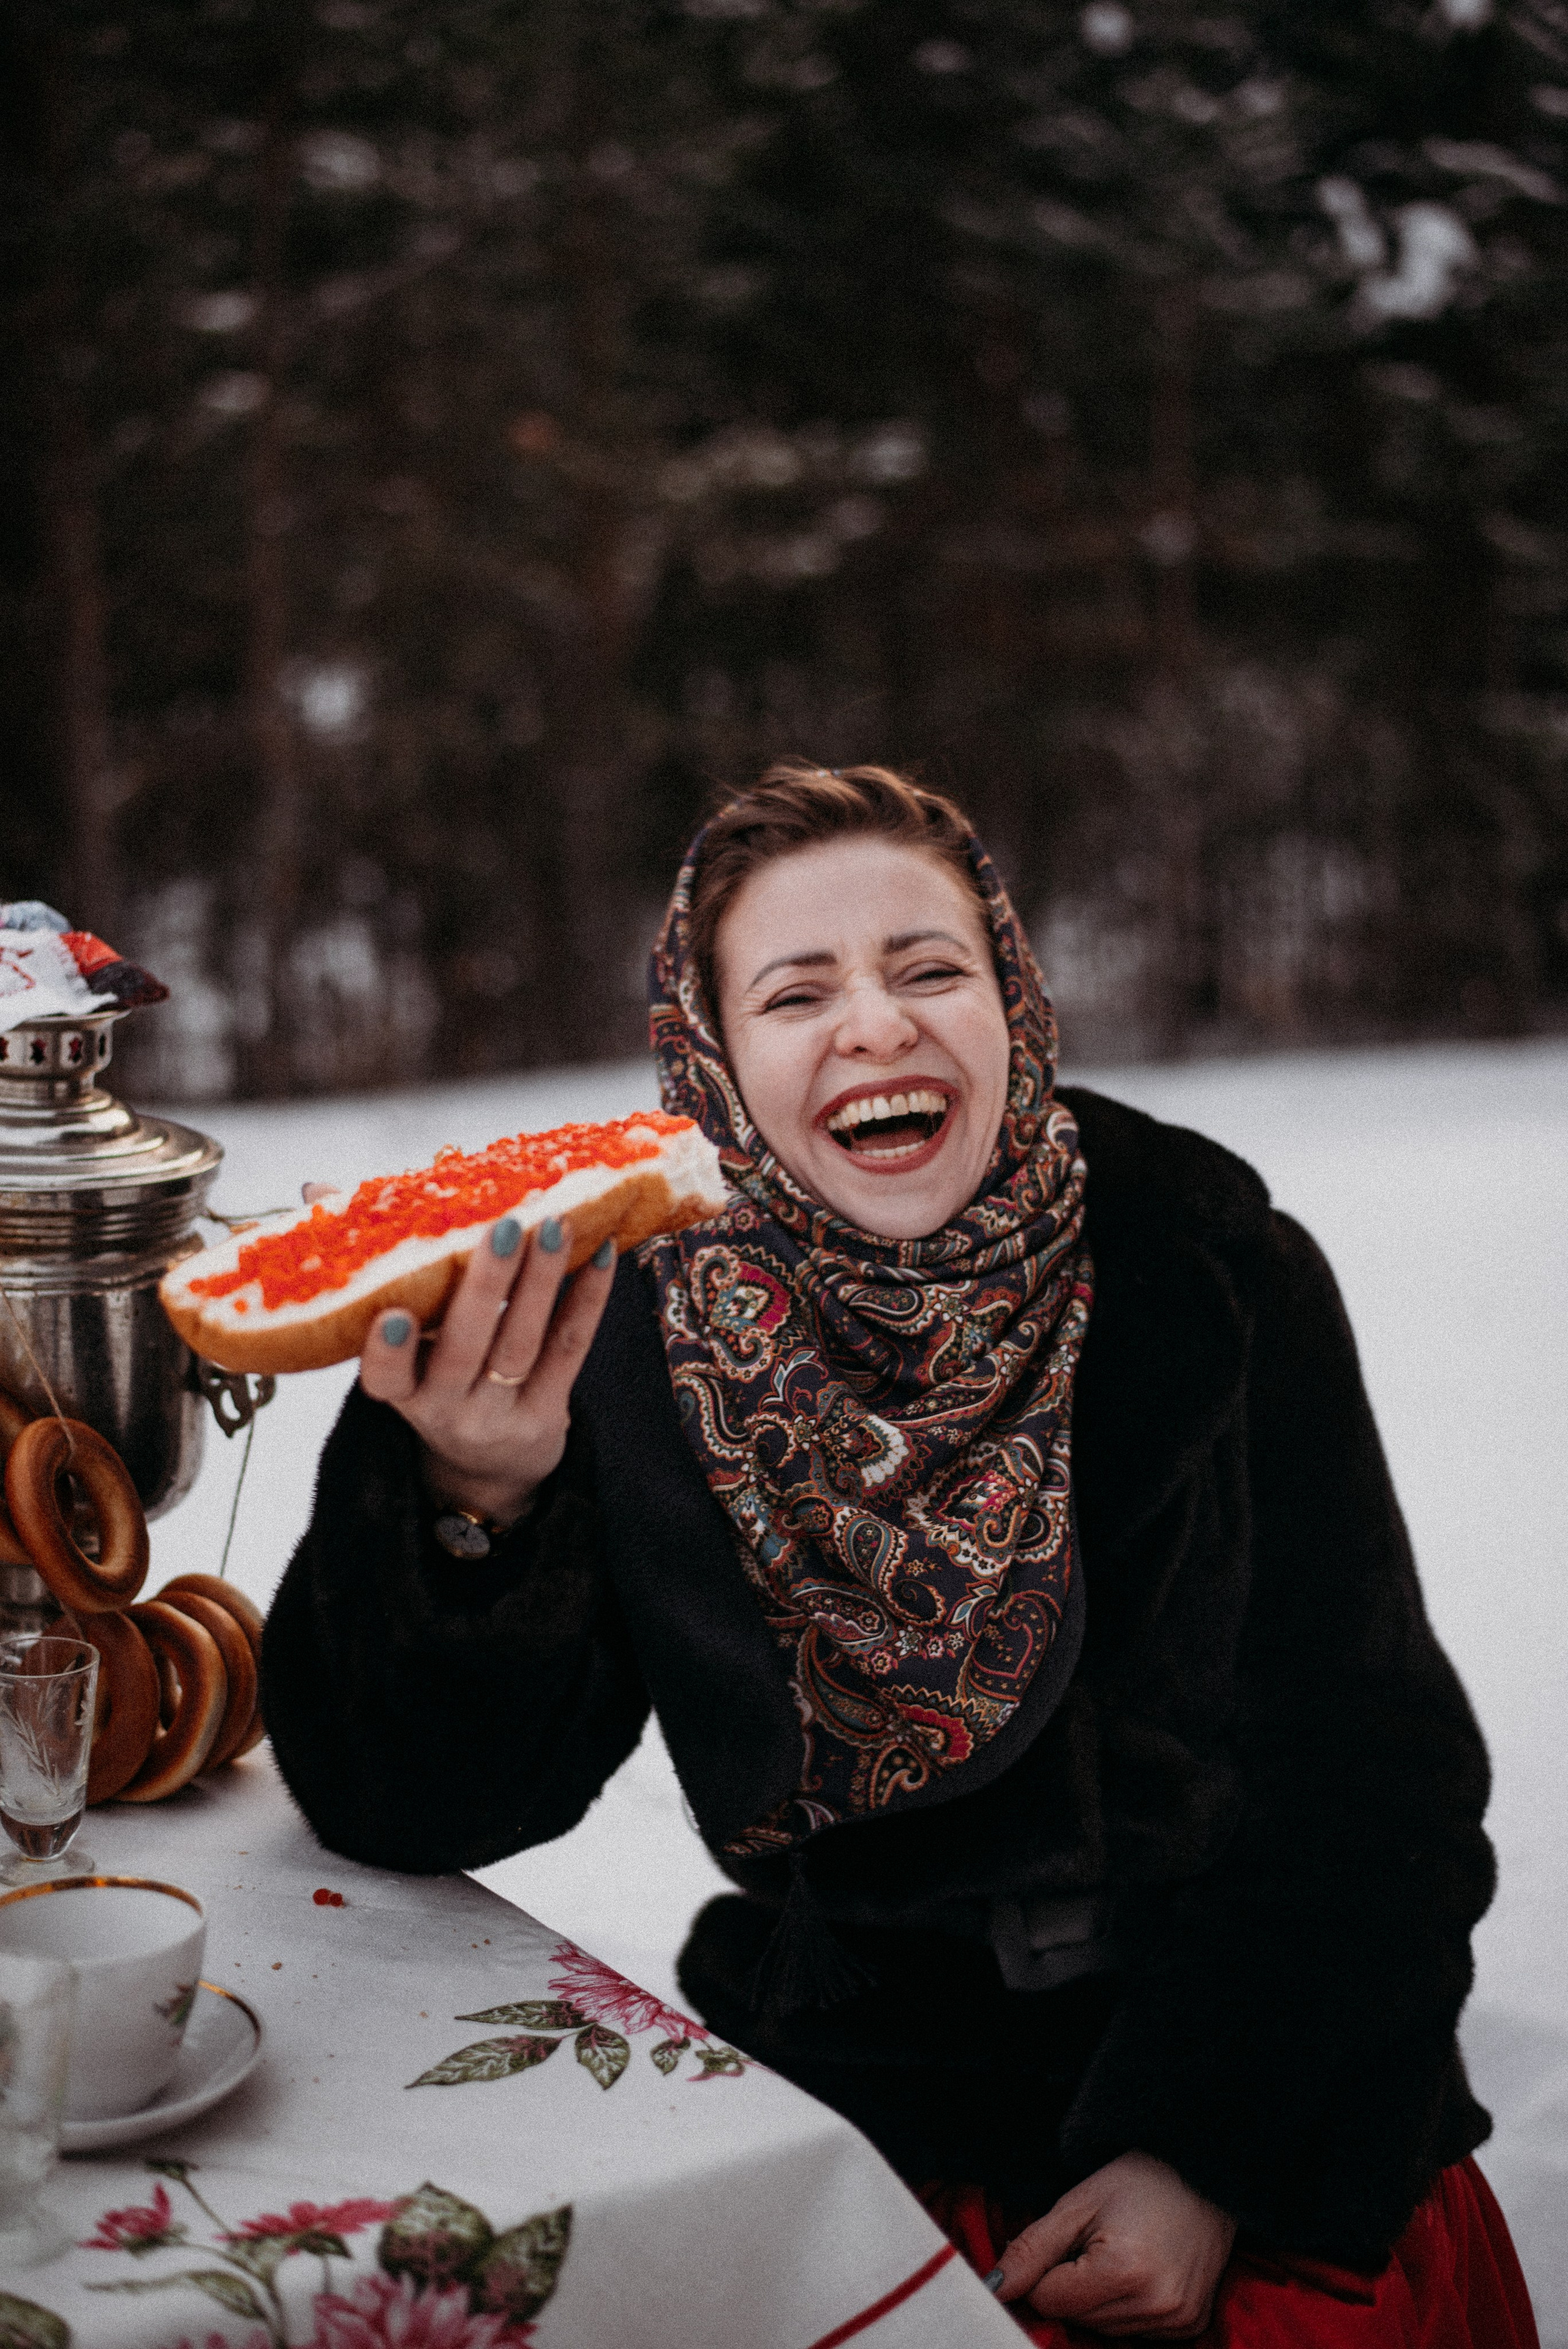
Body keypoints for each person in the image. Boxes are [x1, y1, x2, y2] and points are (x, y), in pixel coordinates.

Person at [263, 764, 1536, 2344]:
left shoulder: (1206, 1265)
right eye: (798, 994)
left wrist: (1211, 2156)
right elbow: (417, 1807)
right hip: (875, 2139)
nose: (875, 1024)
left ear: (1013, 1001)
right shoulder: (629, 1337)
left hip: (1270, 2114)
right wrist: (473, 1502)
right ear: (714, 1063)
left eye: (930, 969)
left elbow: (1379, 1782)